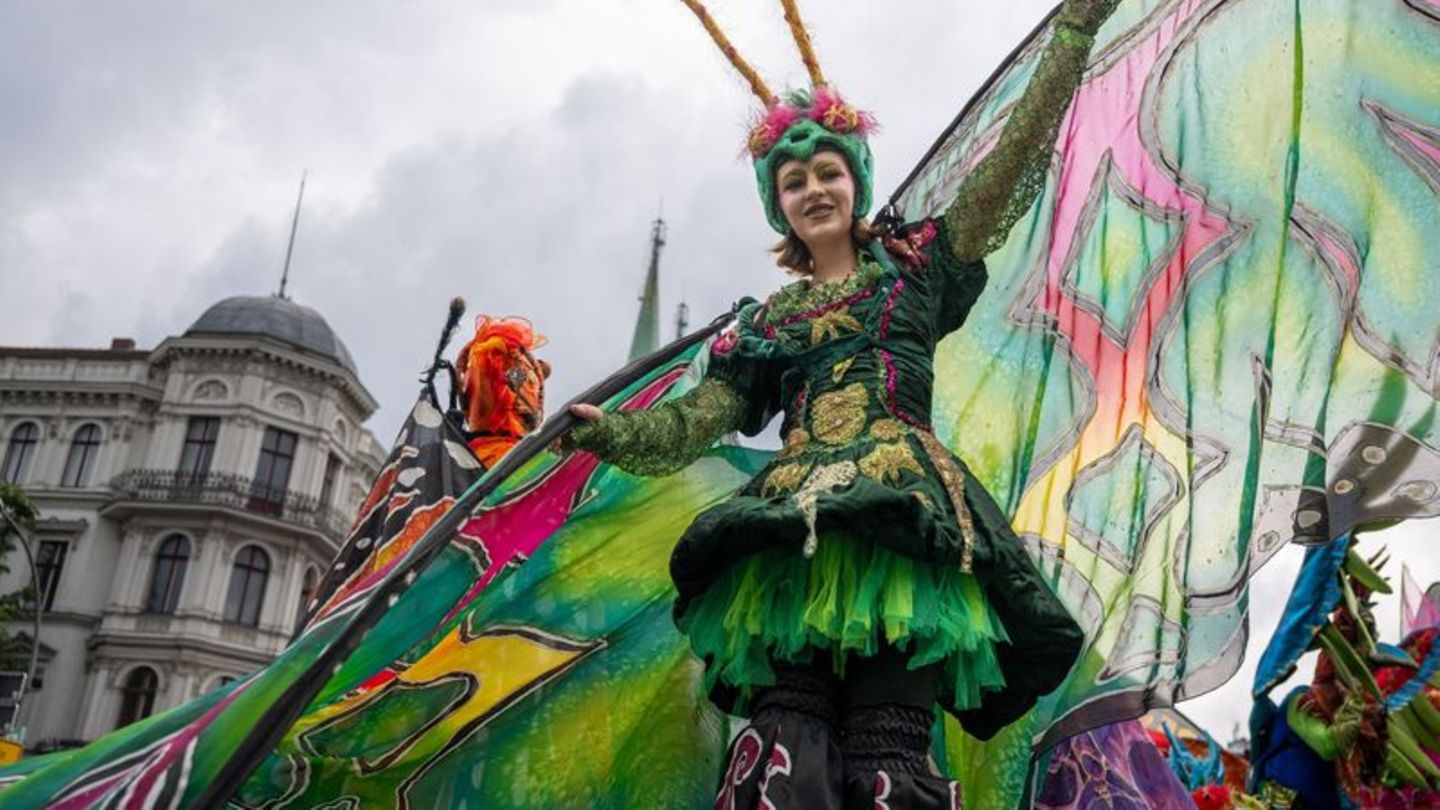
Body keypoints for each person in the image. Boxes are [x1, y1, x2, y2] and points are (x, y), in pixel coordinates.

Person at [561, 0, 1119, 805]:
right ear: (777, 205)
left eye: (828, 171)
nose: (814, 189)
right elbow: (697, 419)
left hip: (905, 535)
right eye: (793, 181)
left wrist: (1071, 35)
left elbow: (1007, 165)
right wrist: (611, 431)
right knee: (784, 747)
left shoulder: (916, 271)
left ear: (855, 179)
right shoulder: (766, 326)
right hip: (790, 546)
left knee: (884, 757)